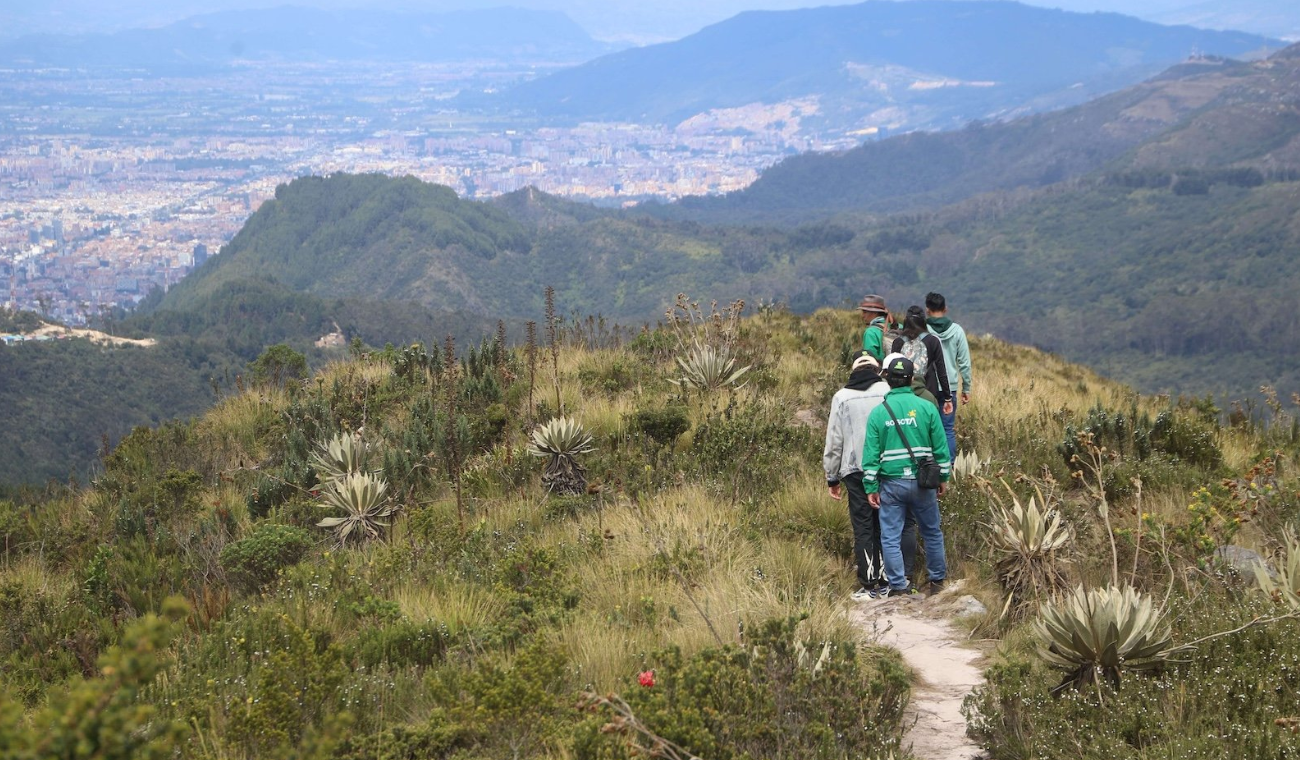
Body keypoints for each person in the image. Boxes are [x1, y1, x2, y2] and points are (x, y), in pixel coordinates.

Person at [862, 355, 951, 598]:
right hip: (923, 483)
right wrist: (943, 477)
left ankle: (899, 587)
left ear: (888, 380)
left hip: (891, 484)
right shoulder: (927, 408)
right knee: (931, 531)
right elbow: (941, 448)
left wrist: (870, 486)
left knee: (890, 535)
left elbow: (870, 455)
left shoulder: (878, 414)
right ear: (912, 380)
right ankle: (937, 583)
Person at [823, 353, 891, 600]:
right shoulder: (888, 390)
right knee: (886, 523)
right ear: (877, 369)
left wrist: (832, 477)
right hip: (886, 468)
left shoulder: (842, 397)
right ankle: (887, 581)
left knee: (863, 526)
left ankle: (869, 585)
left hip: (854, 470)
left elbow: (834, 440)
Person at [925, 292, 972, 459]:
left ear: (927, 310)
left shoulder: (923, 330)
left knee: (926, 429)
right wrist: (966, 388)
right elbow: (965, 363)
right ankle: (949, 467)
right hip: (949, 389)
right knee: (947, 429)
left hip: (926, 387)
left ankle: (927, 466)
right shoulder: (957, 331)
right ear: (945, 309)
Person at [891, 305, 952, 415]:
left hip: (903, 394)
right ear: (924, 322)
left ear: (906, 321)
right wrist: (948, 397)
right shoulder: (933, 341)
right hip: (928, 393)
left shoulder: (898, 342)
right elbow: (941, 370)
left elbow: (892, 370)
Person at [857, 295, 889, 362]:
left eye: (865, 312)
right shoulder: (898, 327)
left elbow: (870, 358)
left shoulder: (871, 332)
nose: (863, 316)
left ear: (874, 312)